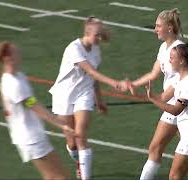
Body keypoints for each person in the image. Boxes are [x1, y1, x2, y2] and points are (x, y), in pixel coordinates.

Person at [127, 9, 188, 179]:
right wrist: (132, 84)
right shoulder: (164, 48)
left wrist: (151, 98)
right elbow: (153, 74)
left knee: (158, 149)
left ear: (170, 28)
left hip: (179, 105)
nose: (155, 29)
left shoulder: (179, 51)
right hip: (181, 107)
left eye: (159, 26)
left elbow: (175, 91)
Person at [48, 16, 128, 180]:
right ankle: (79, 162)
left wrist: (99, 101)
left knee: (81, 136)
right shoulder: (74, 48)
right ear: (87, 33)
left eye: (100, 35)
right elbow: (90, 71)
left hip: (83, 94)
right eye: (97, 35)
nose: (99, 38)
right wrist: (115, 83)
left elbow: (93, 78)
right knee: (72, 143)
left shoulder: (96, 50)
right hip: (64, 95)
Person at [0, 41, 73, 180]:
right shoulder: (14, 83)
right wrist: (61, 124)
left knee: (51, 176)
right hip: (31, 138)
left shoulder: (17, 76)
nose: (20, 54)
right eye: (16, 52)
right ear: (8, 58)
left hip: (31, 134)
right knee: (59, 177)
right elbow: (34, 105)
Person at [146, 43, 188, 180]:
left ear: (181, 61)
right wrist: (150, 96)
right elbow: (163, 98)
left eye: (172, 58)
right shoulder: (180, 79)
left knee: (175, 176)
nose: (169, 61)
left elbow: (176, 110)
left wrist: (154, 100)